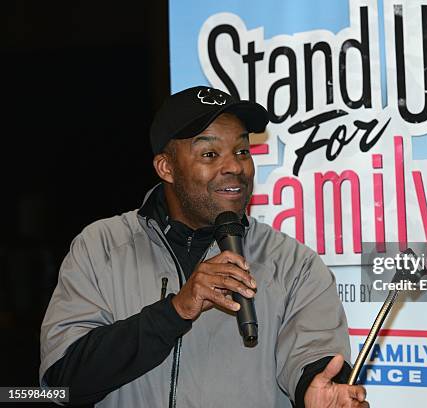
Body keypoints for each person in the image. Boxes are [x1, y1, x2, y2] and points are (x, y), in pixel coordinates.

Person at [39, 85, 369, 407]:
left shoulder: (294, 264)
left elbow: (313, 360)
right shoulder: (102, 247)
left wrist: (315, 390)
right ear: (166, 167)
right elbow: (62, 383)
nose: (235, 167)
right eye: (210, 154)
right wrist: (175, 311)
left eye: (242, 151)